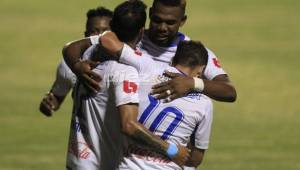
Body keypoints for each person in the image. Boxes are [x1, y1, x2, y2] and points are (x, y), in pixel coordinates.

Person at [64, 1, 189, 170]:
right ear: (140, 32)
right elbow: (129, 125)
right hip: (100, 164)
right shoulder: (125, 71)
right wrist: (172, 150)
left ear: (112, 26)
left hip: (76, 159)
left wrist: (77, 66)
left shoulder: (87, 55)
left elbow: (70, 47)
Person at [62, 0, 237, 105]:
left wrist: (192, 83)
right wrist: (77, 66)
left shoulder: (193, 53)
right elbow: (72, 47)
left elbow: (229, 91)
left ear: (182, 21)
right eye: (157, 20)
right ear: (150, 14)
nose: (162, 28)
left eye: (170, 23)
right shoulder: (128, 37)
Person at [99, 32, 213, 169]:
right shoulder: (204, 103)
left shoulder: (146, 70)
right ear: (200, 72)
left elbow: (106, 40)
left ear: (172, 60)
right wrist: (173, 151)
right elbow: (195, 159)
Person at [39, 7, 113, 116]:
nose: (99, 37)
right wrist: (49, 104)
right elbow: (56, 97)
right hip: (84, 132)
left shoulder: (126, 64)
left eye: (105, 31)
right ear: (85, 35)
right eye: (94, 31)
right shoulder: (70, 65)